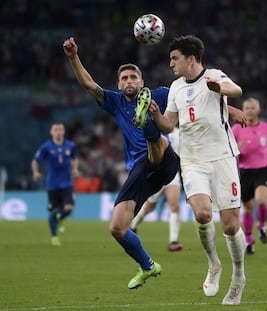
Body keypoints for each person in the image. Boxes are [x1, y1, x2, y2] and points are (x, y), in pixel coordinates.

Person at [63, 37, 179, 289]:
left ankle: (147, 121)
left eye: (132, 77)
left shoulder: (161, 93)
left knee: (156, 140)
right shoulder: (114, 101)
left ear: (141, 82)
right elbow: (89, 85)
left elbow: (194, 97)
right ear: (119, 84)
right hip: (141, 170)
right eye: (124, 78)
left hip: (164, 158)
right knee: (117, 228)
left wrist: (231, 110)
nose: (128, 81)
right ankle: (148, 266)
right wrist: (73, 57)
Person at [140, 34, 247, 305]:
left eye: (174, 58)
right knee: (201, 214)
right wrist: (154, 114)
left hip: (222, 157)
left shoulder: (214, 75)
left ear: (190, 59)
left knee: (231, 225)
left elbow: (236, 90)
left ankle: (238, 278)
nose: (171, 63)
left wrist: (220, 88)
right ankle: (214, 265)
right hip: (192, 160)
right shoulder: (176, 87)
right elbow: (168, 125)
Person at [232, 97, 267, 254]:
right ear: (243, 110)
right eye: (247, 108)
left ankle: (261, 225)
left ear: (258, 110)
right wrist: (237, 148)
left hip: (262, 169)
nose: (250, 111)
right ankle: (248, 239)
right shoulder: (237, 129)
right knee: (248, 208)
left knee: (261, 200)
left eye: (253, 108)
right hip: (244, 171)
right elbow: (228, 148)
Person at [130, 126, 184, 252]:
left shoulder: (180, 134)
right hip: (157, 173)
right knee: (150, 206)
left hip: (172, 173)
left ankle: (173, 241)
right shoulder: (156, 130)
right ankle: (133, 226)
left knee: (174, 206)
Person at [31, 123, 79, 246]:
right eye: (56, 129)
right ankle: (54, 236)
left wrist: (74, 169)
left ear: (63, 132)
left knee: (69, 208)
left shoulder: (70, 146)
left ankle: (60, 219)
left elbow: (74, 158)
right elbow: (36, 160)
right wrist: (36, 172)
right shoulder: (46, 147)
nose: (58, 131)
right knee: (53, 211)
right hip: (52, 184)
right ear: (51, 132)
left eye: (60, 129)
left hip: (67, 183)